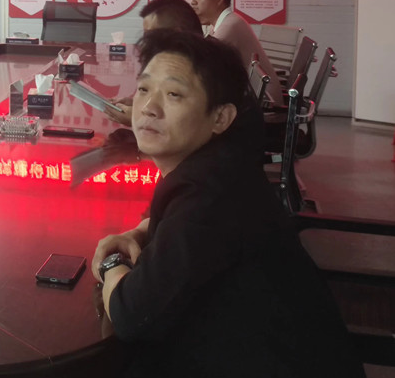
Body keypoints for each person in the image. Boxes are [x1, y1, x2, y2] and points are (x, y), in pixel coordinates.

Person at [92, 30, 363, 377]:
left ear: (221, 118)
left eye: (174, 94)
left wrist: (111, 263)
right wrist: (141, 231)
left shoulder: (206, 191)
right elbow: (195, 232)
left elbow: (130, 314)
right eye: (144, 89)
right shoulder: (223, 165)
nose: (148, 108)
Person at [106, 0, 204, 126]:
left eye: (150, 34)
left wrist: (137, 119)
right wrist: (139, 104)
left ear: (177, 34)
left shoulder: (202, 70)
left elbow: (191, 123)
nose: (145, 41)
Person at [191, 0, 283, 103]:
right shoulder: (223, 22)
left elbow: (203, 66)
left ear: (219, 0)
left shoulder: (229, 26)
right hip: (255, 95)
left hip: (265, 102)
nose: (193, 2)